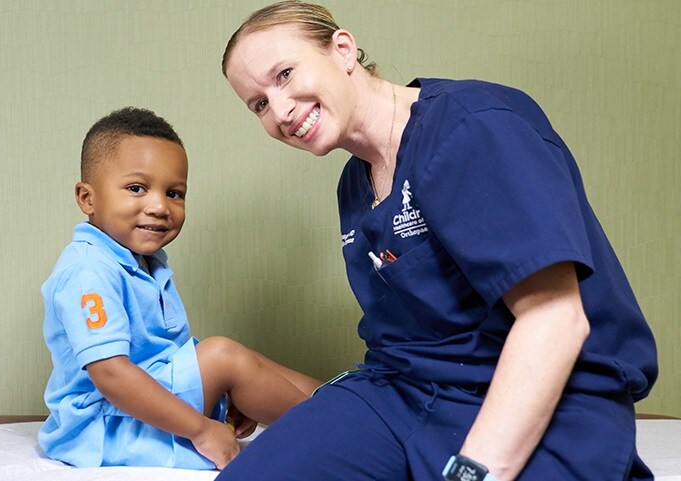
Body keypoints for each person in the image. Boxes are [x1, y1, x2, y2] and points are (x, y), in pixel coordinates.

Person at [218, 2, 658, 480]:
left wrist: (471, 473)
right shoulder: (354, 184)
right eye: (259, 103)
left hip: (548, 395)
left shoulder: (472, 125)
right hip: (404, 392)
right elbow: (402, 342)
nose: (279, 111)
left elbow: (555, 319)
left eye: (284, 74)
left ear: (343, 50)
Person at [38, 107, 321, 470]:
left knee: (240, 361)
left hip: (149, 399)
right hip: (105, 423)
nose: (159, 206)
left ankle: (350, 402)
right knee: (223, 355)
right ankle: (341, 433)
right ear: (87, 198)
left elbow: (164, 356)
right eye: (136, 188)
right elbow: (110, 374)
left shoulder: (144, 263)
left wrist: (221, 391)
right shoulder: (87, 269)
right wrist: (201, 429)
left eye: (174, 193)